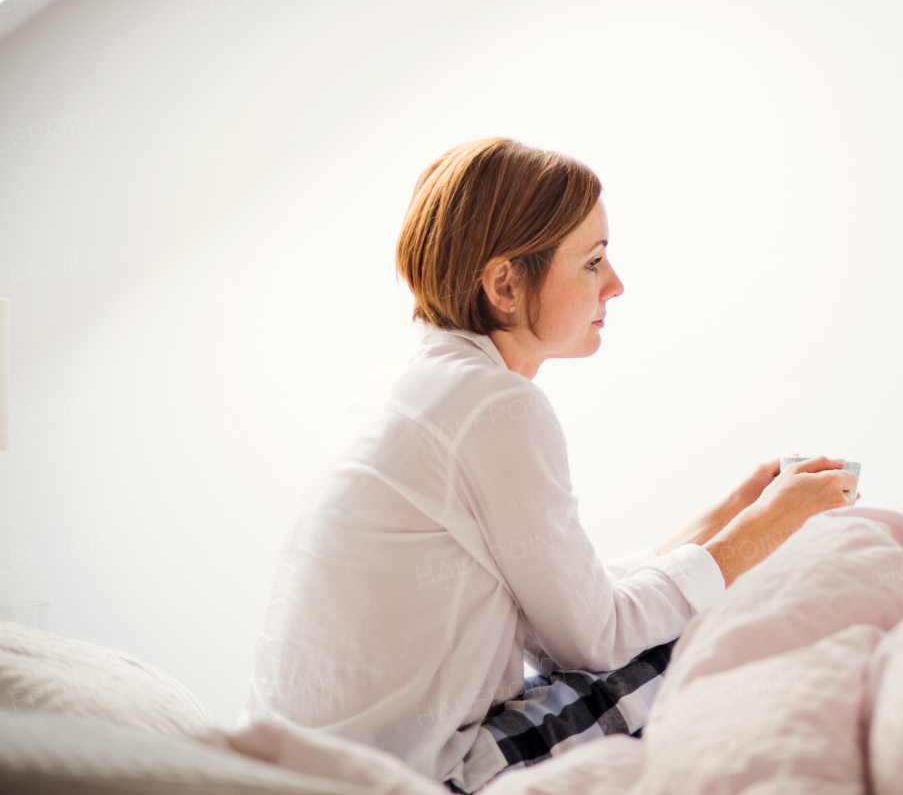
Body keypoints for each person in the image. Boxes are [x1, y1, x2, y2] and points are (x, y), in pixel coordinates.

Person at [244, 138, 859, 792]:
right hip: (421, 776)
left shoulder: (423, 386)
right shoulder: (493, 404)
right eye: (593, 261)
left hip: (323, 764)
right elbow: (593, 637)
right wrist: (766, 531)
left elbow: (565, 610)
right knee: (737, 620)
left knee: (693, 609)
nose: (616, 284)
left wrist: (725, 518)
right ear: (505, 283)